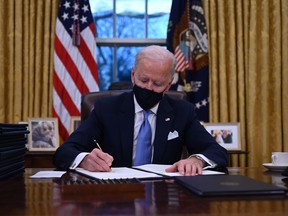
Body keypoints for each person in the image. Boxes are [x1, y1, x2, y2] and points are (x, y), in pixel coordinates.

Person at [53, 45, 228, 175]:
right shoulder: (106, 109)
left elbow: (217, 152)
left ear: (168, 85)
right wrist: (84, 160)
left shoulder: (183, 111)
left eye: (157, 84)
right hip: (115, 195)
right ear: (132, 75)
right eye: (143, 80)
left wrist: (196, 159)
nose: (149, 88)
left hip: (164, 196)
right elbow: (65, 151)